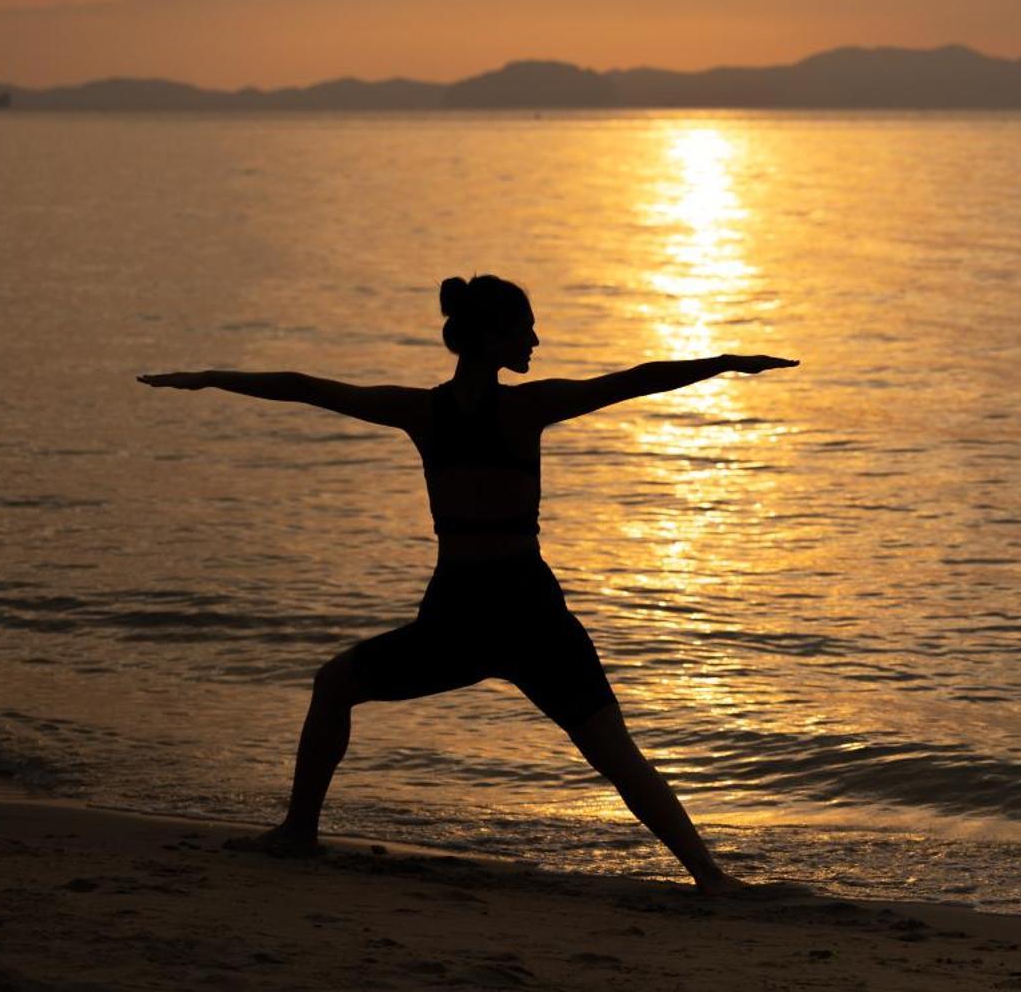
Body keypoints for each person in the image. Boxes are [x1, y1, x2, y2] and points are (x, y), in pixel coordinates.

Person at [137, 273, 798, 896]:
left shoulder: (467, 410)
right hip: (476, 613)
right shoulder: (472, 410)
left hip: (509, 610)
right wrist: (211, 379)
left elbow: (634, 381)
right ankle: (299, 832)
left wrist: (724, 362)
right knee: (338, 686)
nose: (535, 342)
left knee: (610, 749)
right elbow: (307, 386)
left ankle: (710, 876)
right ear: (489, 337)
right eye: (525, 330)